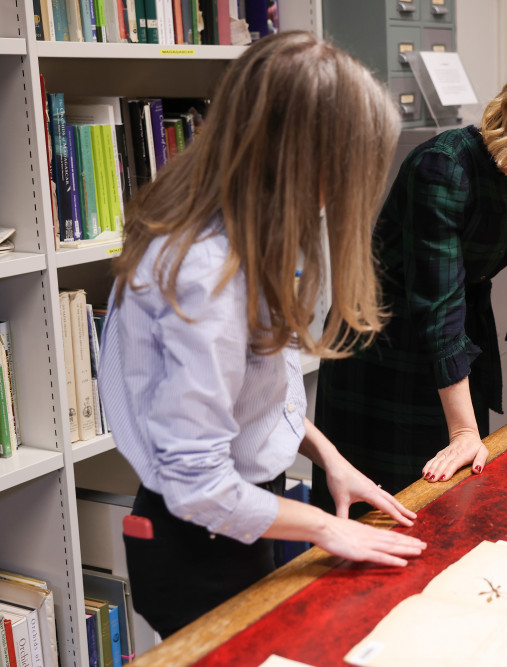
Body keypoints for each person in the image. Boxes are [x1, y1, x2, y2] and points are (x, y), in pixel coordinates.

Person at [98, 31, 426, 639]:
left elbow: (250, 389)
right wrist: (326, 528)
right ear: (304, 161)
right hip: (199, 542)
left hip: (246, 514)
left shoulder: (250, 231)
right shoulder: (204, 277)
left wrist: (328, 457)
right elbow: (198, 485)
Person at [311, 46, 507, 512]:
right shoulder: (442, 167)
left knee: (458, 500)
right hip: (382, 346)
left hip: (455, 351)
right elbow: (438, 305)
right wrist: (462, 431)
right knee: (382, 508)